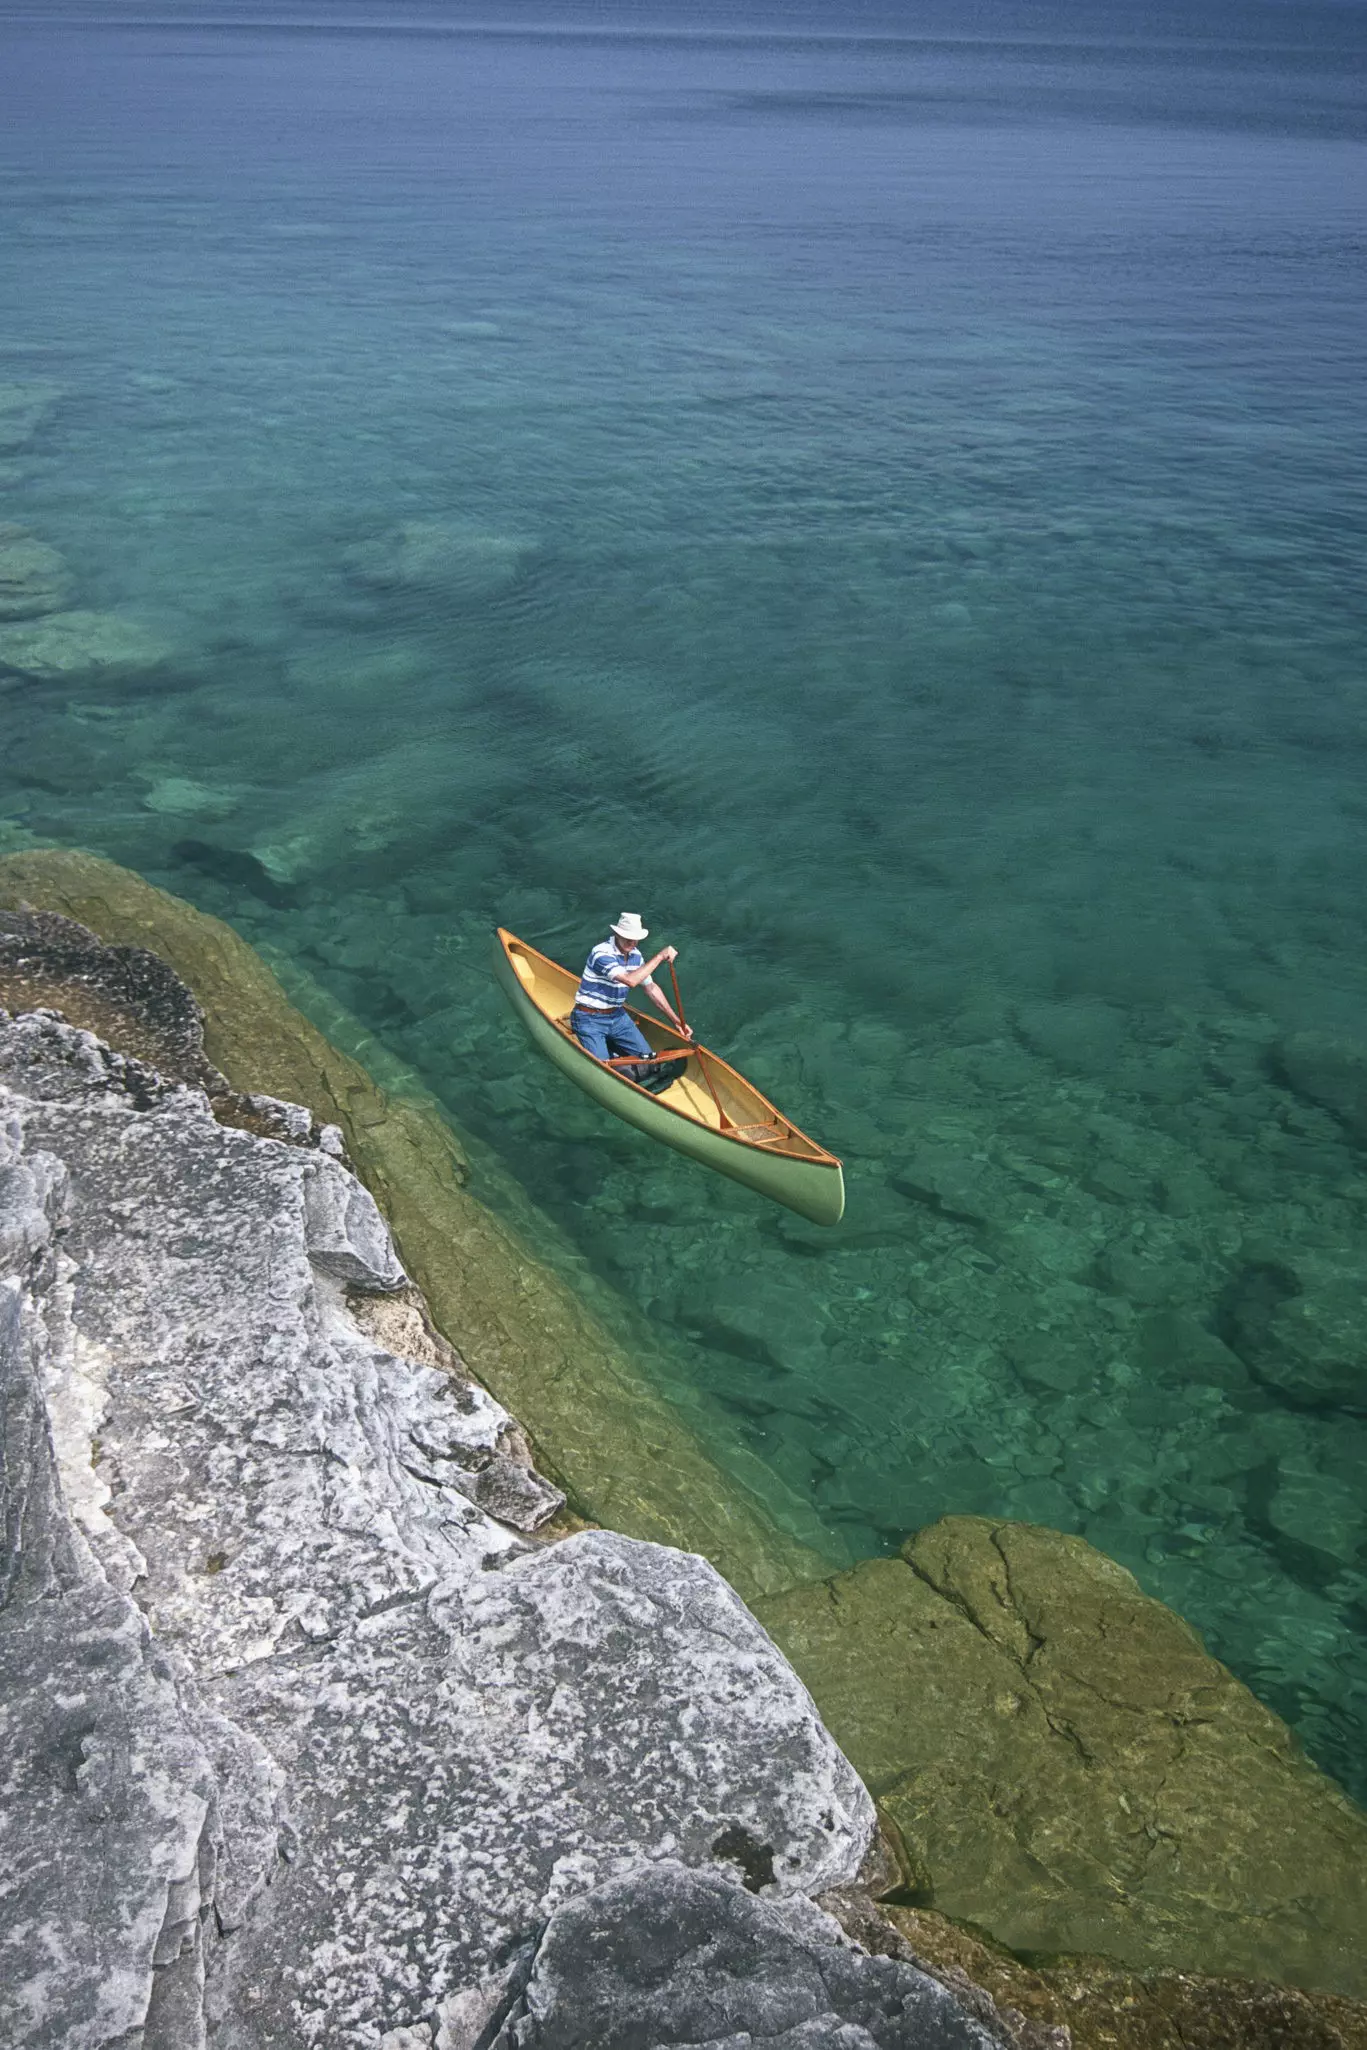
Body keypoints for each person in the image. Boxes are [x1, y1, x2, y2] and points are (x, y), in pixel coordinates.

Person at [570, 912, 692, 1091]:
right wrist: (659, 956)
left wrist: (676, 1021)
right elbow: (630, 980)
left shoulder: (635, 955)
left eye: (635, 939)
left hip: (617, 1016)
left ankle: (612, 1051)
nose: (632, 943)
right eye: (628, 938)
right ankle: (608, 1054)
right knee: (605, 1073)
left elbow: (651, 988)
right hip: (589, 1018)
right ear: (617, 934)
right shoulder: (601, 953)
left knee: (649, 1062)